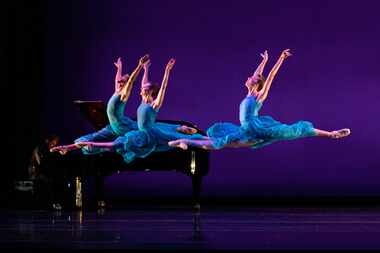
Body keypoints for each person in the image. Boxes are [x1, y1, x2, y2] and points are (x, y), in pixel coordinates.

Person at [168, 49, 350, 150]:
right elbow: (260, 74)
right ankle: (182, 141)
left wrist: (280, 59)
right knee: (214, 140)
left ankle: (331, 134)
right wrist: (264, 61)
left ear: (256, 85)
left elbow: (269, 77)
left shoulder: (258, 95)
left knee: (295, 129)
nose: (250, 77)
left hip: (256, 130)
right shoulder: (249, 93)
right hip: (245, 129)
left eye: (252, 78)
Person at [77, 58, 206, 163]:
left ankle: (186, 137)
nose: (140, 89)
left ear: (149, 91)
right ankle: (85, 145)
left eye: (144, 88)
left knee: (170, 136)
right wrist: (144, 69)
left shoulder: (154, 104)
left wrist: (167, 71)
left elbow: (163, 88)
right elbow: (137, 82)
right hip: (133, 127)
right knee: (111, 141)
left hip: (146, 133)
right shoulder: (142, 100)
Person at [28, 134, 64, 210]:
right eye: (53, 142)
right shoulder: (40, 148)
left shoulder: (50, 149)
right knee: (39, 185)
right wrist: (37, 169)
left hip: (42, 171)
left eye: (56, 142)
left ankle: (49, 203)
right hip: (36, 169)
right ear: (49, 141)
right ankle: (38, 204)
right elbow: (37, 160)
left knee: (48, 184)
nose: (54, 144)